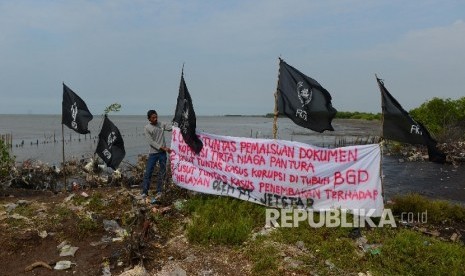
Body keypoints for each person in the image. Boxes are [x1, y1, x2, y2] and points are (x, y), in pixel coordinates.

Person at [141, 109, 172, 198]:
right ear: (149, 119)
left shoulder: (161, 124)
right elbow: (151, 142)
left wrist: (180, 125)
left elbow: (172, 128)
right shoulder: (147, 128)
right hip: (153, 153)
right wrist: (164, 148)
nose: (155, 119)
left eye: (156, 117)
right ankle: (144, 191)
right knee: (148, 172)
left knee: (162, 172)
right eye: (153, 117)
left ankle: (159, 191)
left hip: (162, 154)